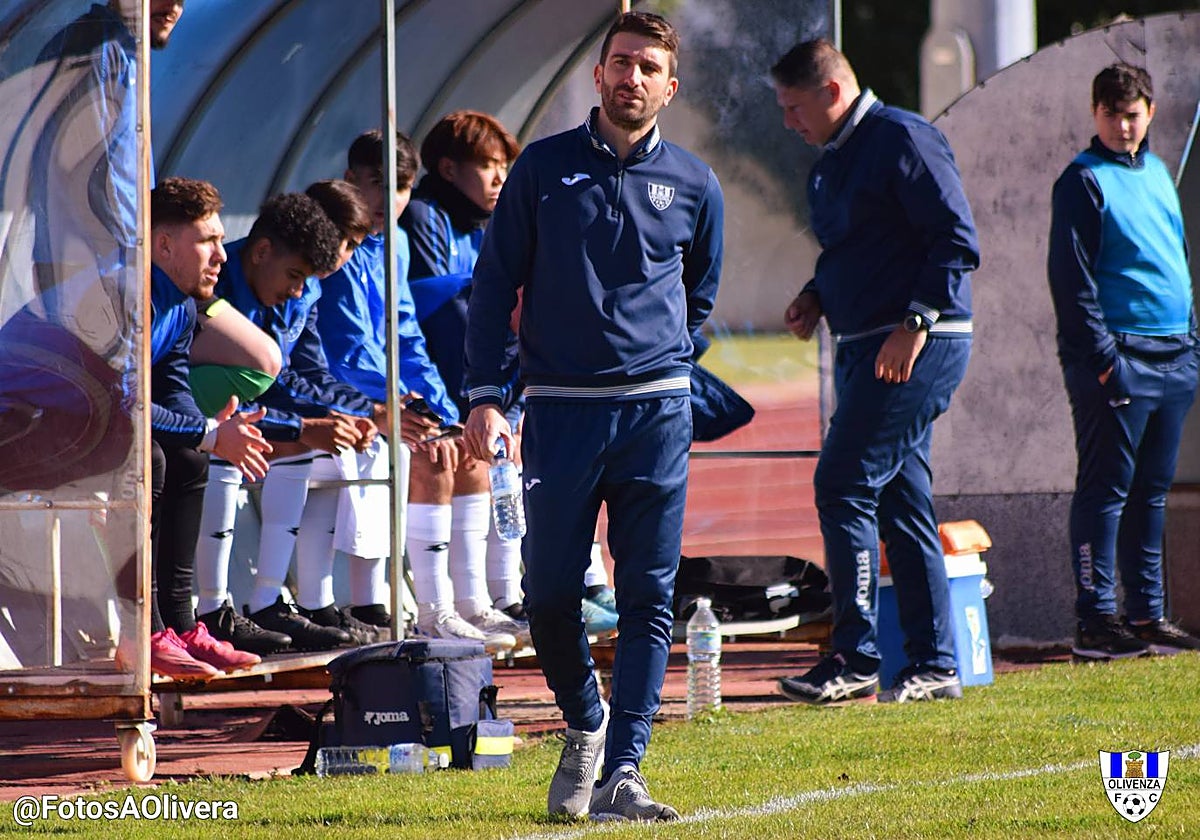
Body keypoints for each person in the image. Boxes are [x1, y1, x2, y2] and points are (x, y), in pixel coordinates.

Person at [463, 11, 724, 821]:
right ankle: (585, 721)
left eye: (649, 67)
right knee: (546, 597)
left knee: (648, 595)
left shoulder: (695, 184)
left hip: (655, 418)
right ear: (598, 74)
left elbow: (701, 297)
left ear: (670, 87)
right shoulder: (541, 171)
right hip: (562, 416)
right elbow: (492, 288)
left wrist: (666, 366)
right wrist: (484, 395)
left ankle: (625, 770)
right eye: (621, 63)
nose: (632, 78)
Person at [769, 39, 978, 705]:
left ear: (832, 92)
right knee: (900, 499)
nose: (787, 123)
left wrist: (914, 323)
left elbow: (956, 238)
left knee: (842, 481)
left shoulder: (903, 139)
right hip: (864, 347)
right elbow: (854, 250)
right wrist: (816, 295)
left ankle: (855, 657)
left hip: (916, 343)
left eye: (794, 107)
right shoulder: (831, 163)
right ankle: (934, 665)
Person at [1047, 63, 1200, 660]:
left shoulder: (1160, 172)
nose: (1121, 125)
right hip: (1120, 361)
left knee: (1152, 492)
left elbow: (1178, 261)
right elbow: (1072, 280)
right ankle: (1096, 620)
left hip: (1175, 357)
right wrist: (1105, 359)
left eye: (1131, 114)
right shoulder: (1082, 181)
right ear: (1095, 115)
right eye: (1110, 114)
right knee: (1106, 490)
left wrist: (1190, 339)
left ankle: (1148, 615)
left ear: (1150, 113)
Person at [192, 192, 376, 653]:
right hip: (194, 424)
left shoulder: (302, 287)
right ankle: (211, 609)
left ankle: (271, 601)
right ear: (260, 252)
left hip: (243, 419)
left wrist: (361, 411)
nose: (299, 290)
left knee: (321, 444)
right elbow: (225, 396)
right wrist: (300, 425)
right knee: (242, 444)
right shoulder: (212, 287)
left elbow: (306, 370)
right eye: (295, 276)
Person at [401, 111, 528, 650]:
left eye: (505, 167)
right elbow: (442, 311)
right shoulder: (426, 216)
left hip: (473, 384)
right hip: (433, 386)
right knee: (460, 452)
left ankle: (500, 596)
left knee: (521, 444)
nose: (500, 179)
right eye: (488, 167)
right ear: (448, 169)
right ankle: (444, 606)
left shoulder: (491, 221)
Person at [147, 176, 272, 678]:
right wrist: (210, 433)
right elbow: (123, 404)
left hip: (91, 422)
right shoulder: (126, 296)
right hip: (29, 424)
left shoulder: (178, 305)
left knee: (188, 455)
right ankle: (146, 629)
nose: (221, 255)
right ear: (163, 245)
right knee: (152, 458)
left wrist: (209, 432)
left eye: (221, 239)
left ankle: (179, 625)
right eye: (208, 240)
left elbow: (170, 394)